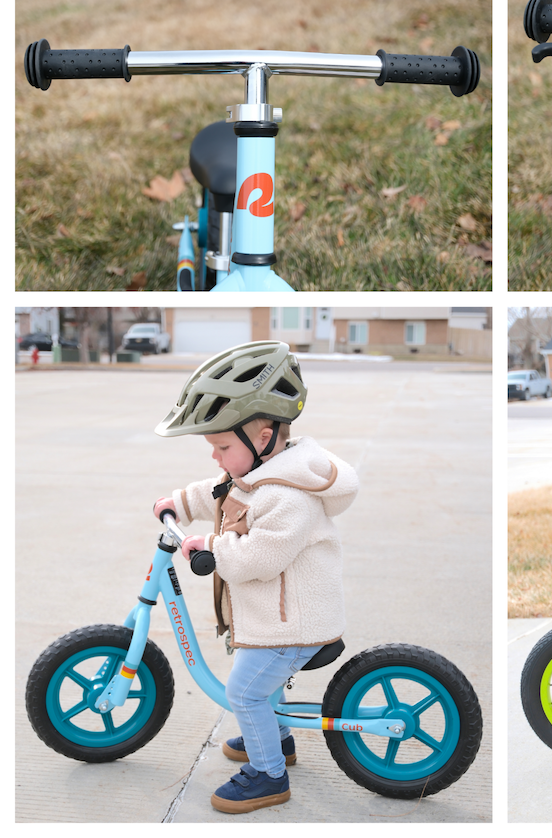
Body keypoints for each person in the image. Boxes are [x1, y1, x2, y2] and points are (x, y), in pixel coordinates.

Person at [152, 341, 359, 813]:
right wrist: (180, 503)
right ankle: (276, 740)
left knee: (243, 692)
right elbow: (221, 492)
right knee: (256, 687)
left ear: (263, 438)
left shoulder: (288, 497)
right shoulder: (259, 473)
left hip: (295, 627)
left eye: (222, 447)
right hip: (277, 620)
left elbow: (261, 557)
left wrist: (212, 548)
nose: (216, 457)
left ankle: (269, 775)